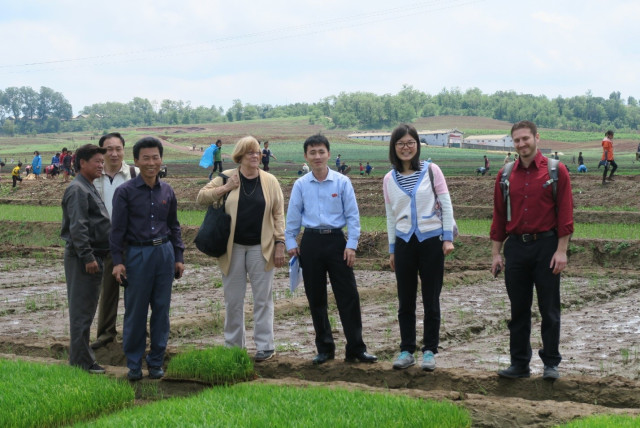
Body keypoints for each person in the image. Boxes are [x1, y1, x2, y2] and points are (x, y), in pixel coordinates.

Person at [490, 120, 574, 381]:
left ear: (537, 137)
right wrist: (496, 253)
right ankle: (519, 364)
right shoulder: (505, 175)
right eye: (516, 140)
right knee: (519, 309)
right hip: (516, 247)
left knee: (549, 307)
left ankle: (551, 363)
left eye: (525, 138)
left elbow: (566, 215)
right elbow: (499, 216)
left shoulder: (555, 171)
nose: (521, 144)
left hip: (546, 246)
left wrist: (561, 251)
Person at [285, 134, 377, 365]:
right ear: (306, 156)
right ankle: (324, 348)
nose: (317, 156)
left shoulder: (342, 182)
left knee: (348, 296)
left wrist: (352, 245)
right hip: (311, 243)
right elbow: (293, 219)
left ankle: (356, 348)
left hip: (337, 242)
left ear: (328, 154)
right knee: (316, 298)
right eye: (312, 152)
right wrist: (291, 243)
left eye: (321, 152)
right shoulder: (301, 184)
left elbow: (353, 216)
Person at [196, 136, 285, 362]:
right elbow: (201, 198)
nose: (255, 156)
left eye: (257, 152)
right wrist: (226, 187)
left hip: (261, 248)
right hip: (232, 248)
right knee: (233, 300)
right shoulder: (226, 177)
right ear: (240, 157)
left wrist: (280, 243)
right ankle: (234, 346)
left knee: (263, 299)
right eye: (249, 153)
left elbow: (278, 214)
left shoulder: (270, 181)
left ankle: (265, 346)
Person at [110, 137, 185, 381]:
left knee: (161, 311)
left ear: (161, 159)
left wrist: (178, 256)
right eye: (146, 158)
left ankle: (155, 362)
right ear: (136, 161)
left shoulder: (168, 191)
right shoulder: (125, 192)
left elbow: (174, 226)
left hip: (163, 253)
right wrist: (118, 261)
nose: (151, 163)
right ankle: (134, 364)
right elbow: (117, 231)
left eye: (155, 157)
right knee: (136, 311)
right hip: (136, 255)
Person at [383, 124, 455, 371]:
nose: (406, 147)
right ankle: (406, 349)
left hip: (431, 241)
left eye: (410, 142)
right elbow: (391, 217)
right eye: (401, 144)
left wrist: (447, 237)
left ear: (417, 145)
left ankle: (429, 351)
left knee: (430, 297)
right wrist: (392, 249)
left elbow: (445, 204)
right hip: (404, 243)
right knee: (405, 299)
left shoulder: (432, 171)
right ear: (394, 148)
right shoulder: (388, 179)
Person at [61, 144, 111, 374]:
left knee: (86, 310)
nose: (102, 165)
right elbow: (78, 227)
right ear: (82, 163)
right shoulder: (78, 189)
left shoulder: (88, 186)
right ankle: (82, 362)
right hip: (83, 260)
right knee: (82, 312)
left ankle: (82, 359)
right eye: (97, 161)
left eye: (103, 162)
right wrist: (88, 257)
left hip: (92, 256)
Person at [91, 132, 139, 350]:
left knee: (137, 290)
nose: (113, 153)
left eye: (117, 148)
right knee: (108, 290)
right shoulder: (93, 176)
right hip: (106, 242)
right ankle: (106, 334)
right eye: (108, 149)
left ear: (124, 150)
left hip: (134, 242)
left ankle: (137, 332)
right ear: (102, 151)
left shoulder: (134, 173)